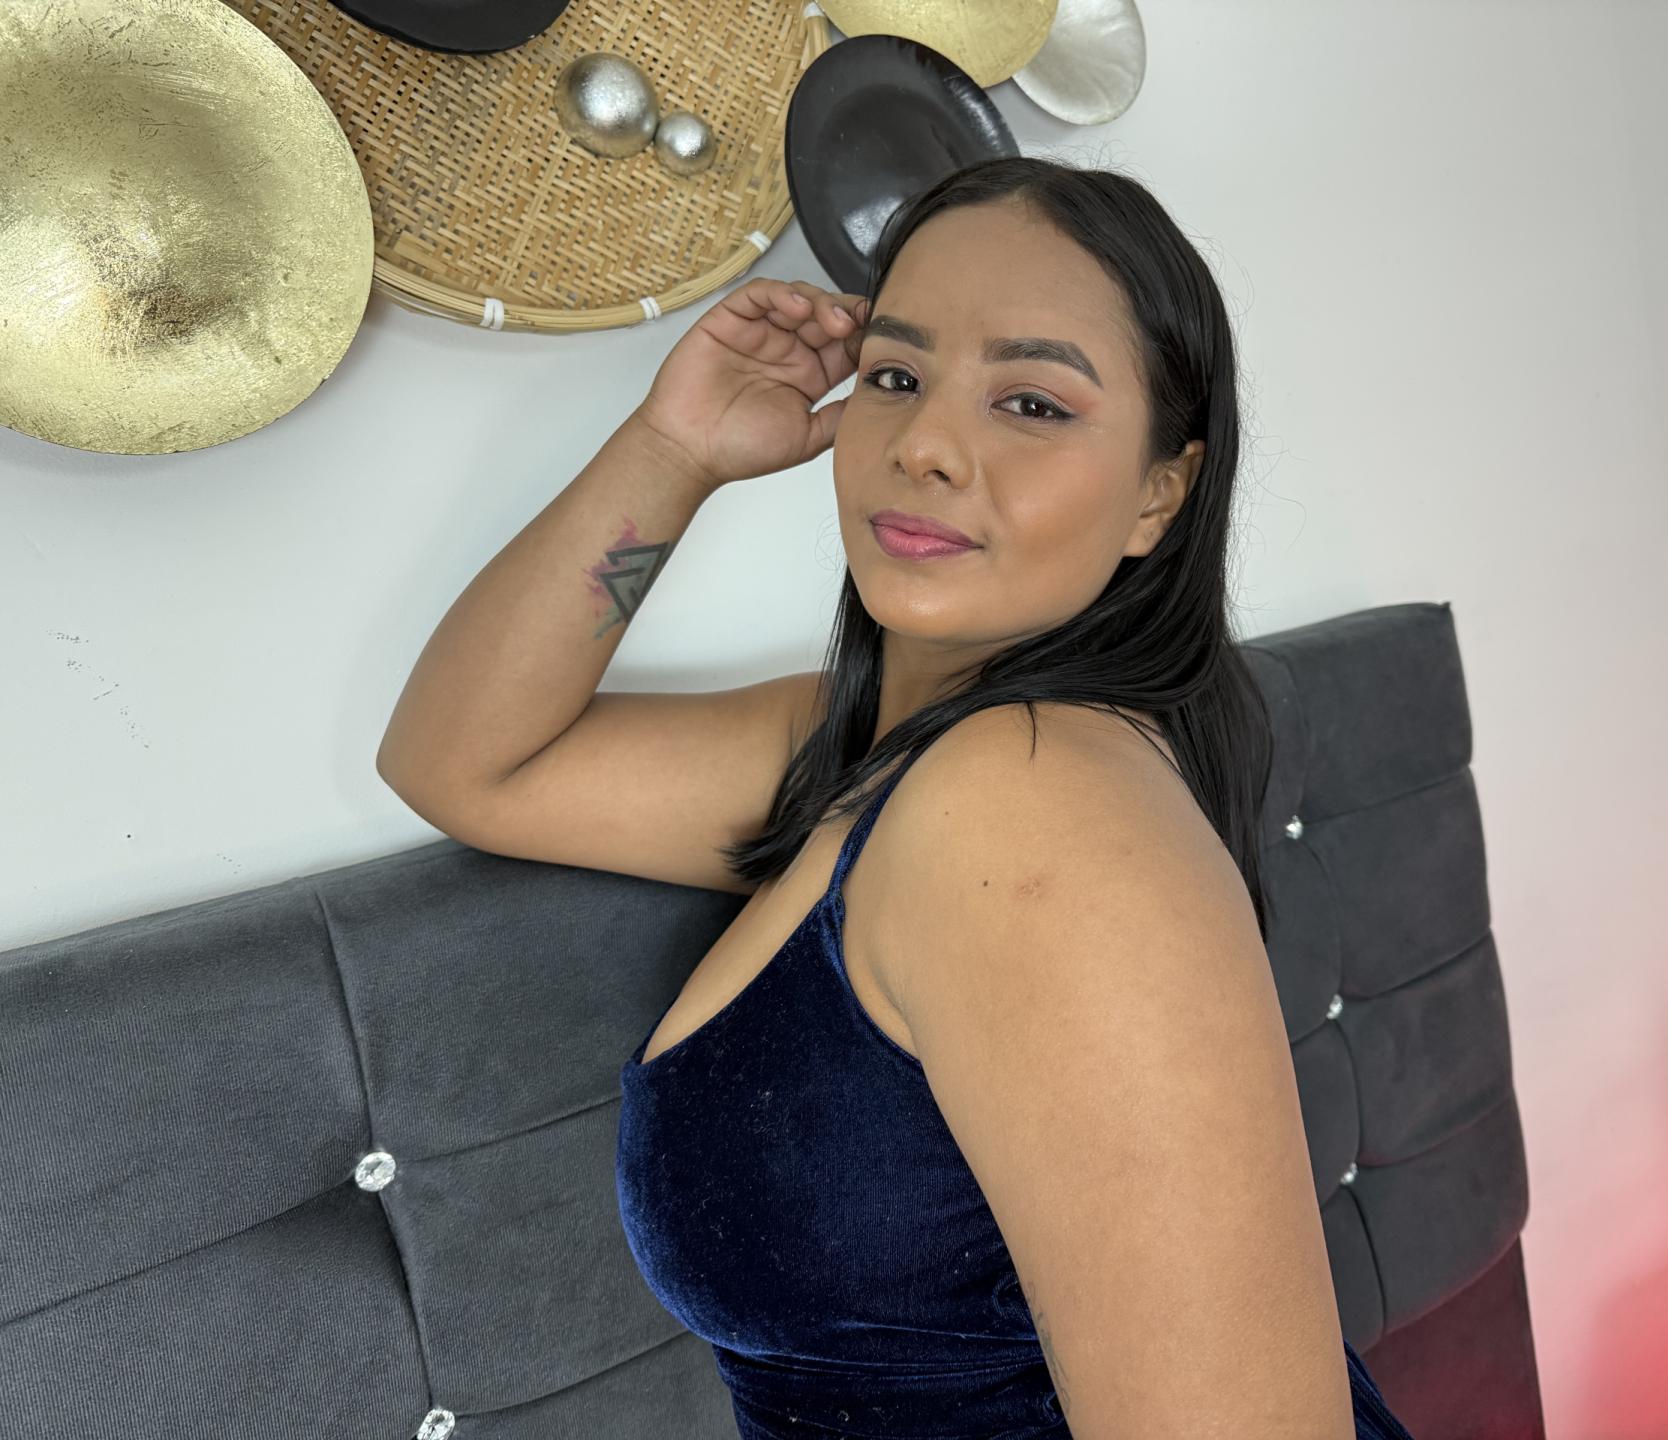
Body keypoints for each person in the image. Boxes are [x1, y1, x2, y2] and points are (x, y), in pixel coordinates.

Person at [379, 155, 1418, 1438]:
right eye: (895, 376)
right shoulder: (865, 750)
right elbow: (465, 762)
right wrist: (674, 449)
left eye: (1031, 402)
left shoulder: (1034, 805)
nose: (923, 446)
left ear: (1161, 491)